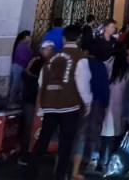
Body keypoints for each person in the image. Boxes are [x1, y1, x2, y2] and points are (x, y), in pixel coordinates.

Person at [31, 24, 86, 180]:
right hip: (69, 106)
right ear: (79, 38)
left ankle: (32, 171)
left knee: (43, 139)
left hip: (50, 105)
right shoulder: (80, 57)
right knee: (66, 142)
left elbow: (42, 83)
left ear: (63, 39)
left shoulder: (52, 58)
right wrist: (87, 103)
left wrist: (41, 105)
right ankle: (60, 174)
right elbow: (82, 83)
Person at [101, 42, 129, 166]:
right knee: (117, 136)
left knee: (106, 137)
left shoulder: (107, 66)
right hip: (121, 107)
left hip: (107, 106)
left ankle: (102, 162)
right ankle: (114, 163)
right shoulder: (127, 71)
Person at [74, 36, 110, 175]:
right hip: (99, 103)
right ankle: (92, 159)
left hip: (85, 102)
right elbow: (105, 88)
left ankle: (78, 161)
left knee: (81, 133)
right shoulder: (101, 66)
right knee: (95, 132)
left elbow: (80, 84)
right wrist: (105, 104)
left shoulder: (84, 63)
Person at [19, 41, 55, 166]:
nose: (49, 51)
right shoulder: (37, 62)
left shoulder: (52, 63)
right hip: (31, 99)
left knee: (39, 128)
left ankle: (35, 153)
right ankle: (26, 154)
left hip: (43, 100)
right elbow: (28, 77)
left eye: (51, 49)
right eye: (47, 49)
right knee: (30, 127)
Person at [9, 30, 33, 106]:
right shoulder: (22, 46)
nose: (30, 38)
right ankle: (12, 102)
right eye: (29, 36)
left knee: (18, 85)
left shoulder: (21, 45)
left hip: (17, 67)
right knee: (16, 85)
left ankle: (15, 101)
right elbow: (26, 57)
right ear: (25, 37)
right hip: (19, 67)